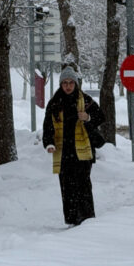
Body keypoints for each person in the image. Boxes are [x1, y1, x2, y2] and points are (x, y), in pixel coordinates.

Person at [43, 66, 106, 226]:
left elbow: (101, 117)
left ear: (76, 84)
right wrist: (49, 142)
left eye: (71, 82)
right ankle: (72, 220)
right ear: (60, 84)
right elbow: (48, 126)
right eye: (65, 83)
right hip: (63, 151)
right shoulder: (55, 103)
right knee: (67, 187)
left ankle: (87, 218)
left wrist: (88, 117)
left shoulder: (85, 100)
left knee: (83, 185)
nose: (68, 86)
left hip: (83, 152)